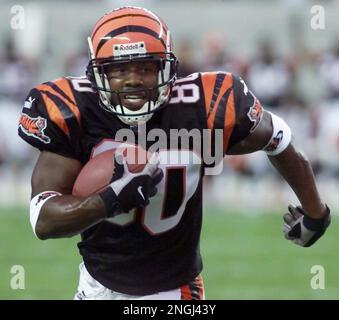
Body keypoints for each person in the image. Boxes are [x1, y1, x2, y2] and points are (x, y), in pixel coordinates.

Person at [18, 6, 331, 300]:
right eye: (119, 69)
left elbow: (278, 138)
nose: (132, 80)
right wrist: (110, 200)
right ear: (98, 74)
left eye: (145, 68)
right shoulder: (74, 111)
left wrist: (316, 213)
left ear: (166, 68)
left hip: (175, 289)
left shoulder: (203, 106)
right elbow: (43, 220)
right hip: (97, 286)